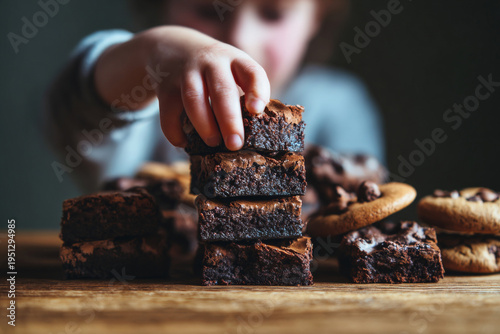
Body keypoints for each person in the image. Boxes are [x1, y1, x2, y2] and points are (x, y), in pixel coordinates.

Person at [45, 0, 385, 192]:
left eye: (272, 14)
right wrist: (152, 56)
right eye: (210, 10)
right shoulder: (144, 101)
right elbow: (76, 108)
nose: (240, 38)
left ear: (317, 18)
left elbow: (355, 209)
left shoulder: (340, 103)